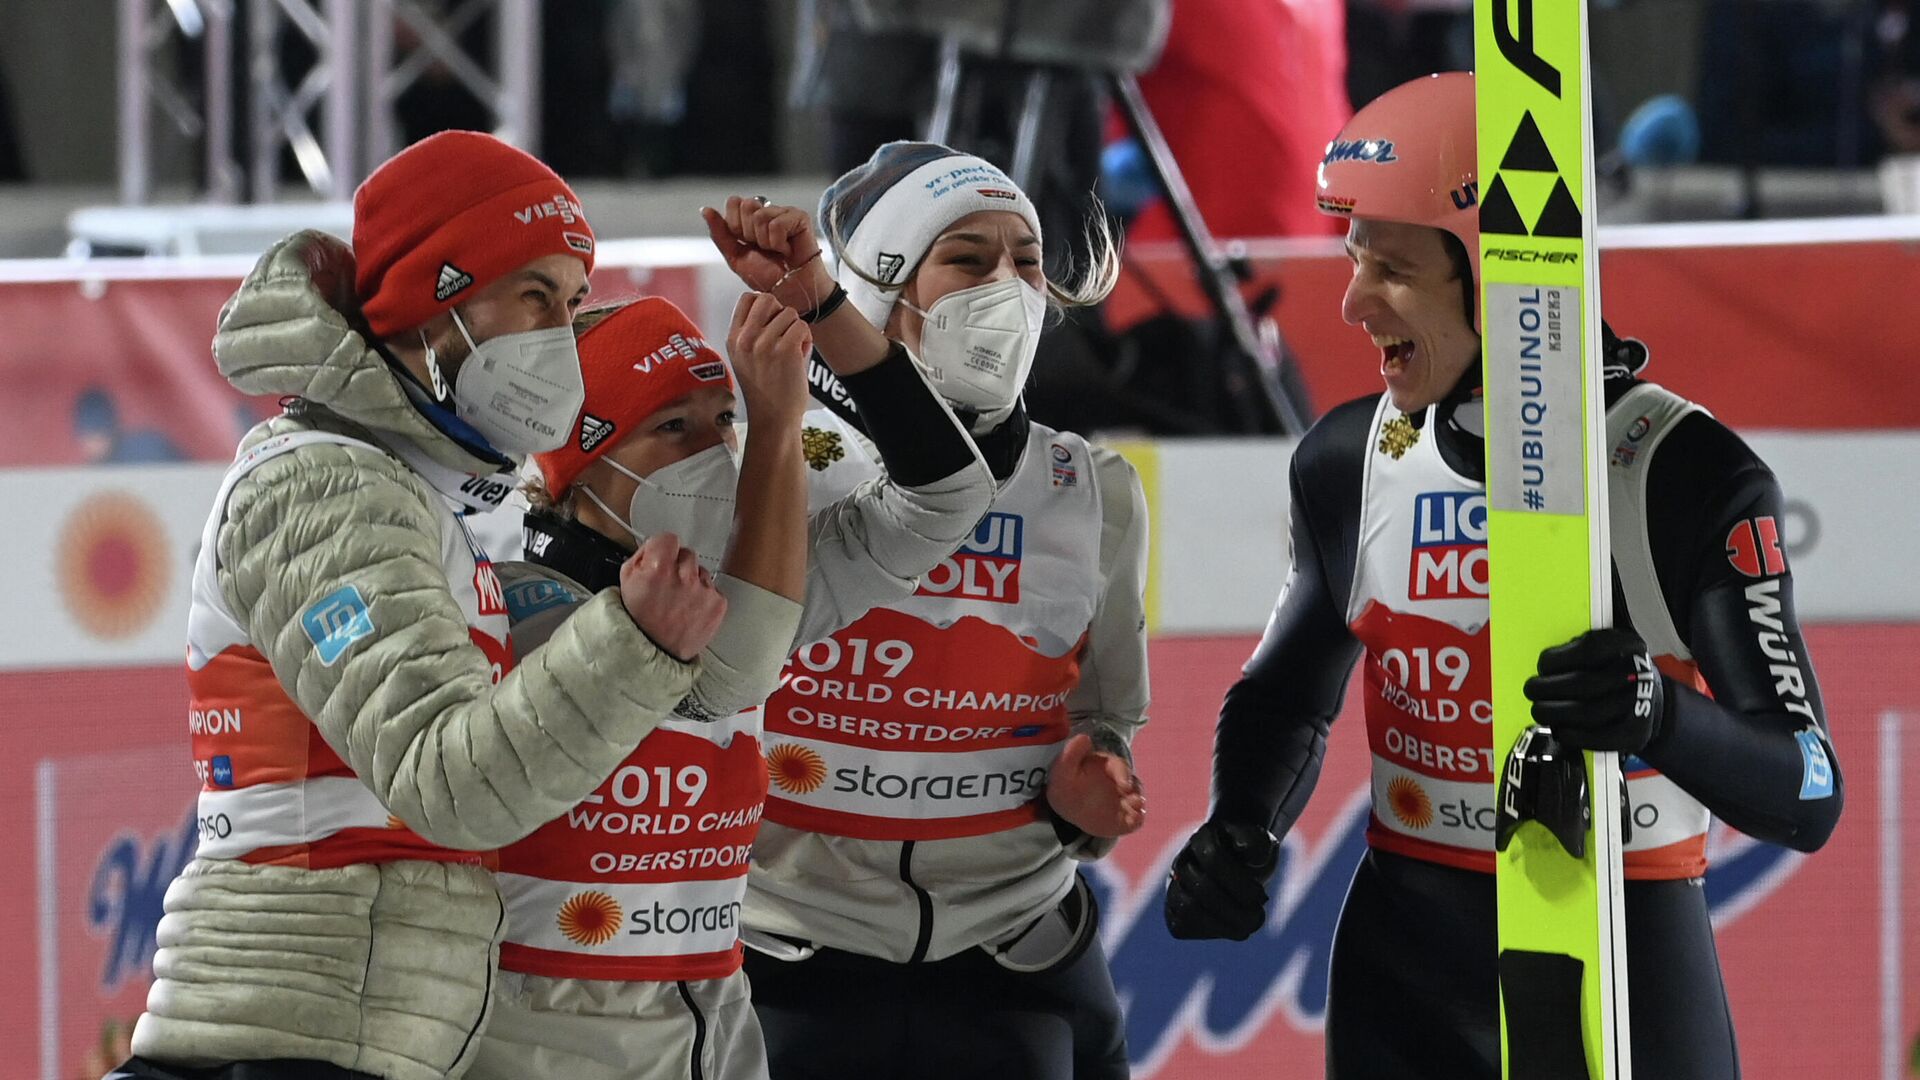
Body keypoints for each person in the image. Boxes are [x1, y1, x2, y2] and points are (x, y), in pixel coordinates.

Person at [1161, 73, 1846, 1079]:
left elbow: (1811, 788)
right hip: (1404, 969)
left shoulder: (1681, 470)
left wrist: (1659, 716)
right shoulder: (1351, 458)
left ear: (1507, 272)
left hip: (1625, 953)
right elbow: (1285, 695)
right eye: (1356, 261)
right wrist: (1239, 828)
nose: (1352, 303)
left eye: (1392, 270)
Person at [111, 131, 726, 1080]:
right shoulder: (322, 485)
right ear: (438, 304)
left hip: (350, 1039)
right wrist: (634, 645)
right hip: (286, 1044)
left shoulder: (424, 491)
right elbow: (451, 784)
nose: (561, 336)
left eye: (571, 305)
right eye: (533, 296)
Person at [466, 278, 994, 1077]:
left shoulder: (746, 587)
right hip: (536, 1045)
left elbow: (948, 497)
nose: (711, 453)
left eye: (724, 423)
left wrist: (823, 306)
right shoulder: (506, 604)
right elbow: (730, 673)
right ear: (581, 465)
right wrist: (778, 425)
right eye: (672, 428)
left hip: (715, 1036)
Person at [700, 143, 1149, 1080]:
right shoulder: (766, 458)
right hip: (784, 956)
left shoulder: (1090, 485)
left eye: (1026, 259)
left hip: (1015, 954)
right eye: (969, 260)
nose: (1010, 288)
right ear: (879, 289)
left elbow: (1103, 727)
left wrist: (1090, 800)